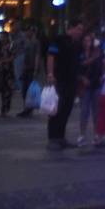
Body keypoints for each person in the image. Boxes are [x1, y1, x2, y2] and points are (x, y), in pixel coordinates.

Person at [44, 18, 85, 149]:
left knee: (67, 109)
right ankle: (52, 138)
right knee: (57, 108)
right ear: (71, 28)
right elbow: (51, 56)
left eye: (81, 30)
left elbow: (79, 62)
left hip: (72, 80)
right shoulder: (59, 40)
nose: (80, 32)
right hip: (59, 79)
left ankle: (61, 137)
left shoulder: (78, 44)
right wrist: (50, 74)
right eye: (78, 29)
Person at [77, 33, 105, 147]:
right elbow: (79, 66)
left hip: (96, 85)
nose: (87, 43)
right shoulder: (80, 53)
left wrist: (104, 75)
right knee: (84, 111)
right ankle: (82, 135)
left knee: (96, 112)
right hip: (85, 86)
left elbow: (104, 65)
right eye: (85, 40)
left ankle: (96, 135)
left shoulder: (98, 52)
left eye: (89, 40)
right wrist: (82, 78)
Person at [0, 29, 16, 116]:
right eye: (1, 37)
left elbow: (12, 57)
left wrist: (3, 61)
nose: (2, 38)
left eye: (3, 37)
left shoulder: (11, 46)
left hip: (7, 72)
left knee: (7, 92)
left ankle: (4, 110)